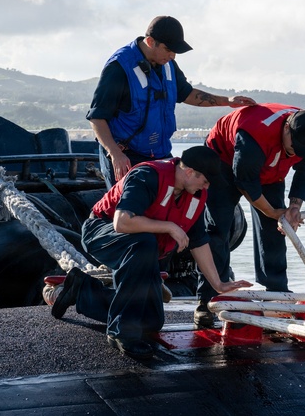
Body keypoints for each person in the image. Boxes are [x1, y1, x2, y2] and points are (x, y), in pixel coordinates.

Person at [50, 146, 252, 358]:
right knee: (145, 242)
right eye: (206, 180)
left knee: (151, 321)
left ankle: (81, 290)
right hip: (101, 232)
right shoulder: (148, 176)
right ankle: (121, 333)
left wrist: (218, 284)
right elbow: (122, 222)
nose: (207, 186)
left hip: (142, 247)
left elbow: (199, 242)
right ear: (190, 171)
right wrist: (170, 227)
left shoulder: (195, 196)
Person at [87, 15, 256, 188]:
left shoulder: (167, 64)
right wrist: (115, 154)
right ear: (151, 41)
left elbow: (187, 93)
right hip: (126, 157)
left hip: (159, 154)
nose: (173, 56)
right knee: (127, 210)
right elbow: (97, 118)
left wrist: (227, 101)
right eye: (169, 49)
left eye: (175, 51)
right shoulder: (119, 68)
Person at [195, 104, 305, 328]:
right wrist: (270, 210)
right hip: (223, 161)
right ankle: (209, 299)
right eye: (295, 147)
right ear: (286, 129)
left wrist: (293, 207)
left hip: (270, 170)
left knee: (277, 229)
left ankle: (275, 293)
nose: (296, 153)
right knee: (218, 228)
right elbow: (244, 181)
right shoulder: (254, 134)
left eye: (303, 150)